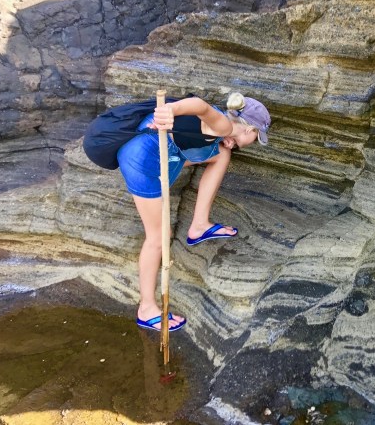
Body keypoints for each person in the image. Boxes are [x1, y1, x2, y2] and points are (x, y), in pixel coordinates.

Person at [116, 92, 271, 331]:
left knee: (221, 154)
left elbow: (202, 126)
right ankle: (146, 308)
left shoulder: (220, 129)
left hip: (159, 151)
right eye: (256, 137)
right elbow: (199, 105)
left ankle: (199, 225)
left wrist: (225, 140)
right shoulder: (223, 125)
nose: (254, 142)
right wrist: (170, 110)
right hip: (143, 161)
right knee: (158, 237)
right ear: (250, 129)